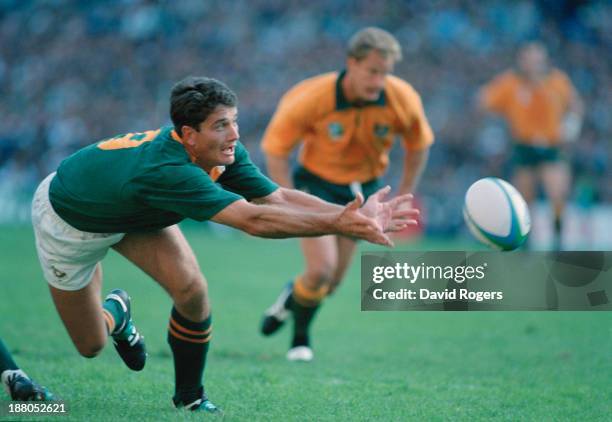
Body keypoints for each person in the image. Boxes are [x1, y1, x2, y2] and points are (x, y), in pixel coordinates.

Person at [31, 76, 417, 413]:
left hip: (135, 210)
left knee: (192, 290)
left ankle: (190, 398)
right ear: (187, 135)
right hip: (70, 221)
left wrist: (354, 214)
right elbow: (253, 220)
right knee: (90, 345)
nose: (233, 134)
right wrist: (337, 223)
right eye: (220, 125)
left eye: (234, 121)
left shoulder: (221, 149)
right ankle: (117, 310)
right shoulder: (170, 171)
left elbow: (275, 199)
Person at [259, 27, 434, 361]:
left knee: (331, 283)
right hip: (316, 186)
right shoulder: (311, 96)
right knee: (321, 270)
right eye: (372, 71)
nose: (378, 81)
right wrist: (286, 198)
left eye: (385, 73)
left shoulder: (402, 98)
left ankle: (289, 298)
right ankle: (300, 340)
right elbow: (275, 148)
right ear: (351, 63)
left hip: (362, 191)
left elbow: (420, 144)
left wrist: (406, 193)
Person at [478, 42, 584, 250]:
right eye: (528, 59)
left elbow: (576, 105)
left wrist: (572, 126)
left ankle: (558, 243)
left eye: (536, 59)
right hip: (523, 146)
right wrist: (496, 125)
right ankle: (527, 245)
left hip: (551, 146)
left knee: (557, 193)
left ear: (543, 61)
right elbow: (484, 100)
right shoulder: (510, 83)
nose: (532, 64)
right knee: (526, 199)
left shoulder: (557, 82)